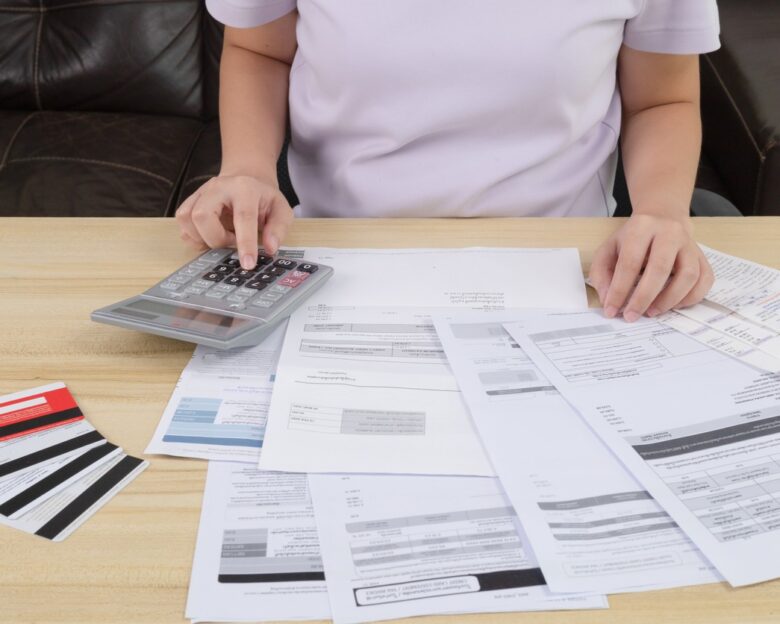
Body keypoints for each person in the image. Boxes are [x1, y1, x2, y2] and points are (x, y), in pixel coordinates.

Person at [176, 1, 720, 322]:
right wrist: (247, 169)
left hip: (569, 269)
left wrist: (665, 211)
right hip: (342, 251)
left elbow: (663, 99)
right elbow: (260, 50)